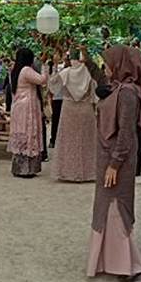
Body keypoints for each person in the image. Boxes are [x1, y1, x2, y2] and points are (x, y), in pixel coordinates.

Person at [87, 45, 141, 282]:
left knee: (116, 208)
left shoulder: (128, 93)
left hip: (118, 161)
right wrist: (86, 59)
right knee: (106, 207)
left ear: (121, 65)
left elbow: (126, 133)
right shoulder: (117, 88)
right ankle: (111, 261)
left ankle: (127, 265)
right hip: (109, 158)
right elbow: (100, 78)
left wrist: (115, 163)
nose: (106, 67)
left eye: (109, 62)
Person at [49, 48, 97, 182]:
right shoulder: (88, 73)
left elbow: (52, 85)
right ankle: (88, 172)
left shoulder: (66, 72)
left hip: (69, 110)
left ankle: (68, 172)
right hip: (86, 109)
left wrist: (55, 67)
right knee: (87, 141)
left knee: (69, 141)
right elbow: (94, 93)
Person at [7, 47, 48, 177]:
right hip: (27, 107)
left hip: (18, 106)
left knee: (21, 133)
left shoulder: (15, 70)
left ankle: (18, 168)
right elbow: (42, 80)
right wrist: (44, 65)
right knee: (29, 133)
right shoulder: (26, 70)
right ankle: (27, 169)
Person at [48, 53, 70, 148]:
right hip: (57, 98)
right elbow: (52, 82)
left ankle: (63, 140)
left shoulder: (68, 69)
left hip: (66, 98)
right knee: (56, 119)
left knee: (65, 120)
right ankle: (53, 140)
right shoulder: (52, 68)